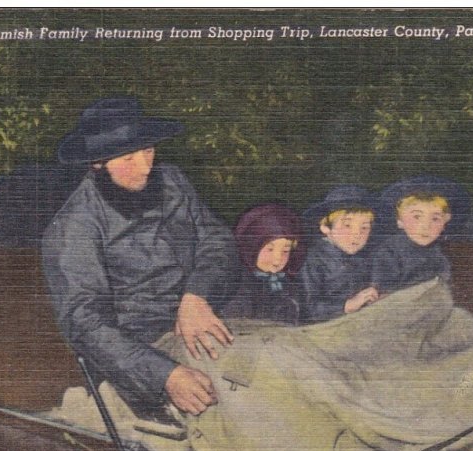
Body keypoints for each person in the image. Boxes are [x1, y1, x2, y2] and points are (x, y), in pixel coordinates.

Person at [42, 97, 238, 417]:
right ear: (97, 163)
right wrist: (165, 376)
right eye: (129, 157)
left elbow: (217, 240)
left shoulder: (172, 182)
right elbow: (86, 324)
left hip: (204, 321)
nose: (145, 166)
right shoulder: (73, 227)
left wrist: (196, 296)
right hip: (141, 354)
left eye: (148, 151)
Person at [371, 175, 470, 294]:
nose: (426, 226)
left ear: (445, 222)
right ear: (400, 221)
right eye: (417, 217)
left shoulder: (437, 254)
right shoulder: (389, 252)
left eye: (435, 219)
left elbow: (444, 285)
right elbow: (383, 292)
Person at [297, 186, 379, 323]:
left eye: (364, 228)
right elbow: (306, 308)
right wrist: (346, 306)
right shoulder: (313, 259)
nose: (357, 235)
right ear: (326, 227)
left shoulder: (362, 260)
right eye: (347, 226)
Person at [223, 203, 306, 325]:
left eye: (285, 251)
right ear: (251, 246)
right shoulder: (237, 286)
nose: (277, 260)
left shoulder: (290, 284)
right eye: (270, 249)